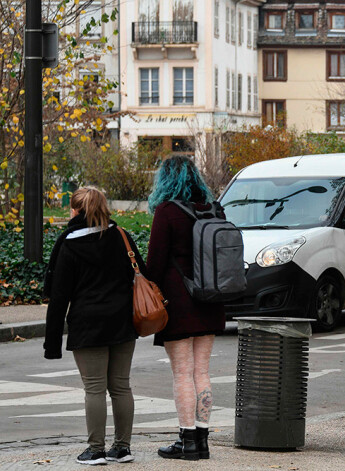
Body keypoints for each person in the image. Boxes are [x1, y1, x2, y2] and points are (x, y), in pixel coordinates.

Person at [44, 187, 143, 465]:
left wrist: (52, 343)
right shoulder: (121, 236)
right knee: (121, 387)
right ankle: (122, 448)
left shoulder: (69, 244)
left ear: (76, 210)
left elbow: (59, 296)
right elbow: (142, 273)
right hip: (123, 322)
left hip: (88, 326)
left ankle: (95, 449)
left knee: (95, 389)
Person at [146, 156, 226, 461]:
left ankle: (186, 439)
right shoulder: (214, 208)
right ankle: (203, 440)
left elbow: (154, 265)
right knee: (202, 371)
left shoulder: (167, 212)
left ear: (165, 180)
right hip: (211, 300)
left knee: (182, 373)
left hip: (179, 303)